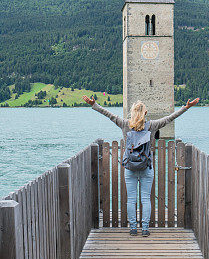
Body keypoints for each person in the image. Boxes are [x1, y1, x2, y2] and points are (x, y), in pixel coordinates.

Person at [83, 95, 199, 236]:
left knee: (131, 200)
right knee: (145, 199)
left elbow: (109, 115)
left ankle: (133, 228)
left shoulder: (124, 124)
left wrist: (95, 105)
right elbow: (170, 118)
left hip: (130, 168)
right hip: (146, 167)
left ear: (132, 112)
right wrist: (186, 107)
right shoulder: (152, 125)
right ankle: (145, 229)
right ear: (145, 112)